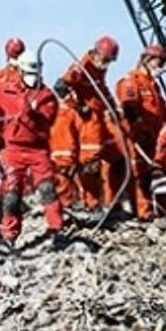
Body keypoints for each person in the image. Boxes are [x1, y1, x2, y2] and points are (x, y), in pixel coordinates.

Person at [0, 53, 65, 249]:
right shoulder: (6, 91)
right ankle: (9, 235)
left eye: (35, 73)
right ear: (20, 71)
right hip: (14, 150)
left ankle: (56, 230)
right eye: (28, 73)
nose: (32, 77)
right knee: (11, 195)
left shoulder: (46, 95)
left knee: (47, 190)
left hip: (38, 150)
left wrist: (32, 111)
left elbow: (48, 119)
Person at [61, 35, 127, 211]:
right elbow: (61, 88)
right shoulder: (82, 67)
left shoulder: (98, 71)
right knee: (90, 165)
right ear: (97, 53)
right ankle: (92, 206)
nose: (107, 64)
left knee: (118, 160)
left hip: (99, 122)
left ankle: (114, 203)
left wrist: (113, 108)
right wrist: (78, 106)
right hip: (86, 123)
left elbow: (102, 90)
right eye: (106, 59)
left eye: (109, 61)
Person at [116, 45, 166, 220]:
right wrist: (140, 130)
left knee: (154, 174)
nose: (160, 67)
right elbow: (129, 108)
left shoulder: (153, 86)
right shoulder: (132, 81)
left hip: (153, 138)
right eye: (158, 62)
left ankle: (160, 212)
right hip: (138, 139)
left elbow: (160, 111)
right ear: (147, 60)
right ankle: (144, 214)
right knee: (140, 176)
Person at [50, 81, 84, 214]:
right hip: (66, 158)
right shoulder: (69, 113)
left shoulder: (54, 111)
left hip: (58, 157)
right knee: (67, 188)